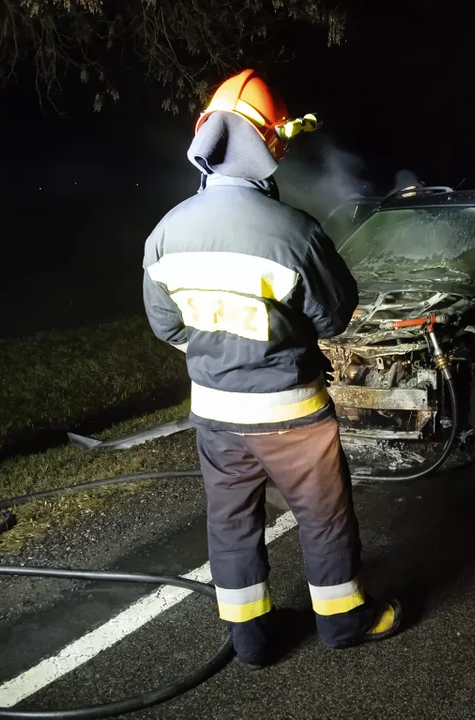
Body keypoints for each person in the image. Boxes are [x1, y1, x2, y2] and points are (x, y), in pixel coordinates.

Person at [141, 69, 402, 668]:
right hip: (292, 416)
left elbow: (167, 327)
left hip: (213, 414)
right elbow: (334, 318)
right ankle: (342, 620)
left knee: (230, 522)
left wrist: (222, 357)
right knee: (322, 515)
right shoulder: (295, 233)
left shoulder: (165, 234)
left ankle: (251, 638)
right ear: (270, 144)